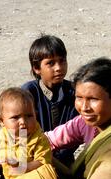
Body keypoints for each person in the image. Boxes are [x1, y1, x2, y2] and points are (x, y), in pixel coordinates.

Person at [21, 34, 79, 166]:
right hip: (34, 162)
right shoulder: (27, 94)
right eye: (50, 63)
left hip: (66, 163)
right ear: (37, 68)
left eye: (62, 60)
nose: (58, 67)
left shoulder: (75, 92)